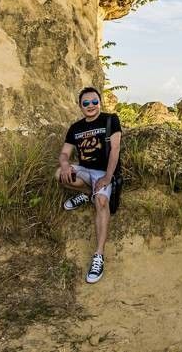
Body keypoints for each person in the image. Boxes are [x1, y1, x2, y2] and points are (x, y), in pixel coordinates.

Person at [56, 85, 122, 284]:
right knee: (59, 174)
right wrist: (66, 164)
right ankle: (86, 193)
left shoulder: (110, 120)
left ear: (100, 102)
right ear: (80, 106)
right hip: (86, 171)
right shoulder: (76, 128)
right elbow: (64, 153)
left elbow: (115, 149)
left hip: (105, 172)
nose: (91, 105)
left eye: (95, 101)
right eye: (86, 103)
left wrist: (108, 177)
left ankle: (98, 255)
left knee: (101, 201)